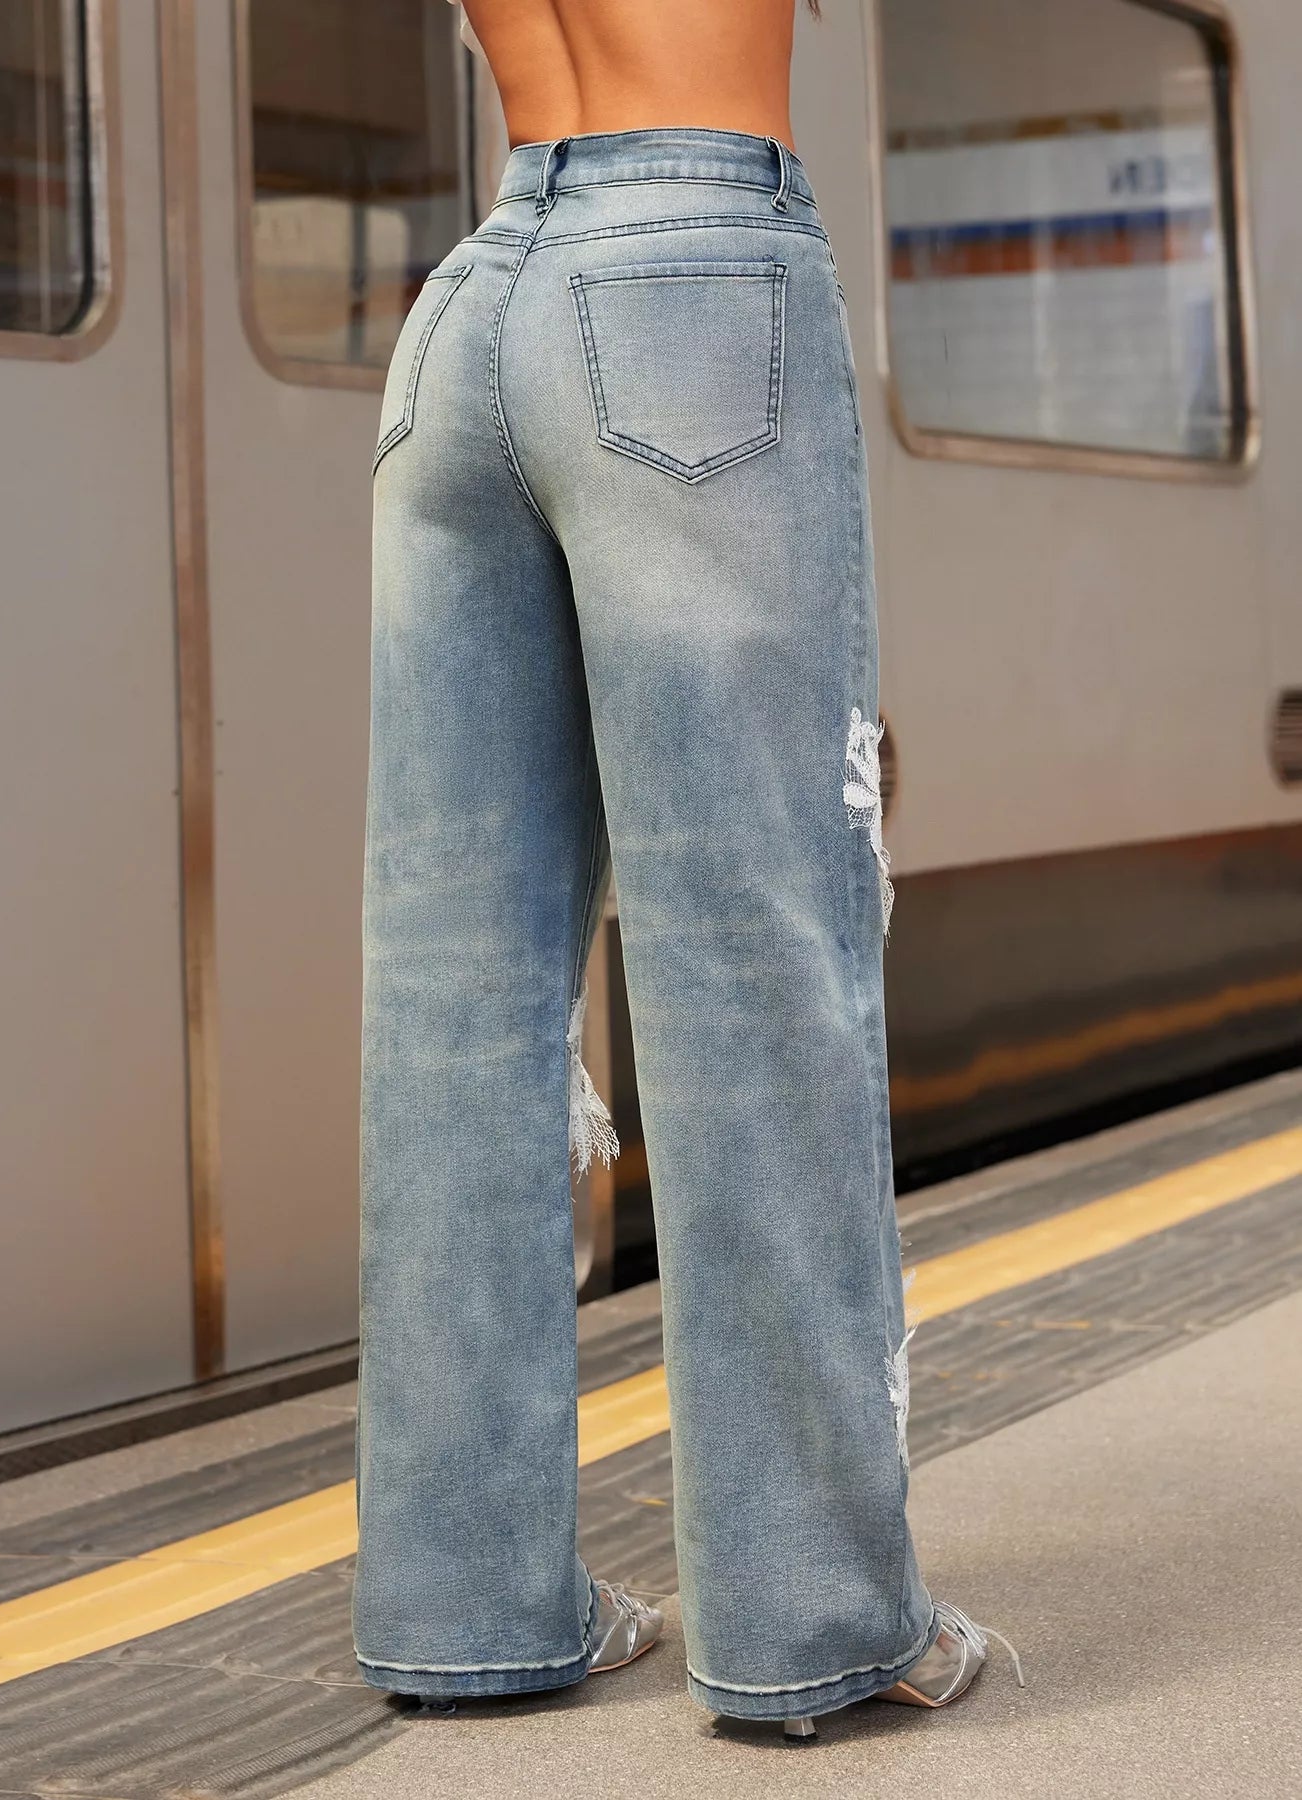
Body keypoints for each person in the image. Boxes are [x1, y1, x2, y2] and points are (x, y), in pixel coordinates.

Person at [353, 0, 1013, 1738]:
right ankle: (817, 1625)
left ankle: (463, 1607)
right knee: (753, 965)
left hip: (475, 303)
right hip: (692, 274)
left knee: (455, 1004)